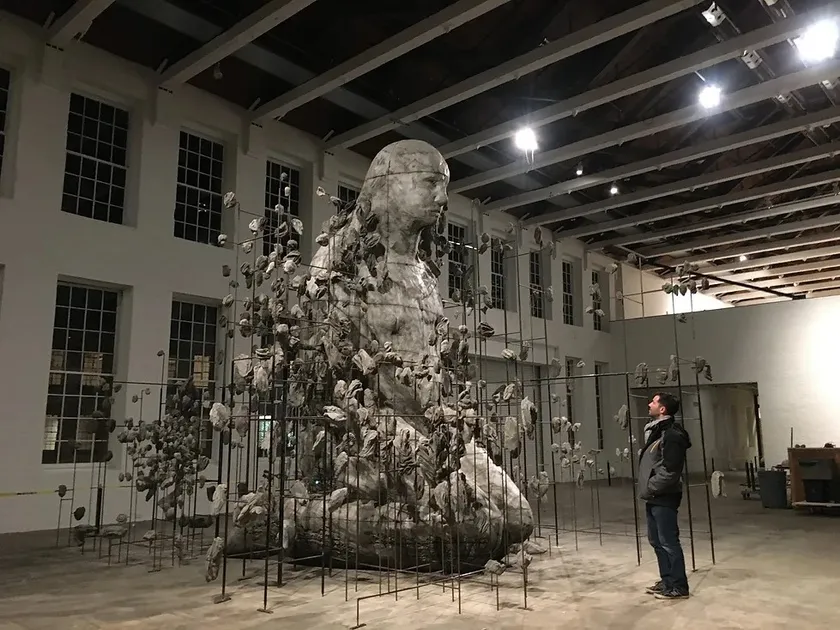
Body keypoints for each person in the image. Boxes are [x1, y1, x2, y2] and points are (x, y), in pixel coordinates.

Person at [638, 392, 692, 600]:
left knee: (668, 541)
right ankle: (667, 581)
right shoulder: (657, 432)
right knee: (656, 540)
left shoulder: (671, 435)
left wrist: (652, 486)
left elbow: (671, 471)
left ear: (662, 409)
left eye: (653, 401)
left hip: (664, 495)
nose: (649, 404)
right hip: (654, 495)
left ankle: (679, 586)